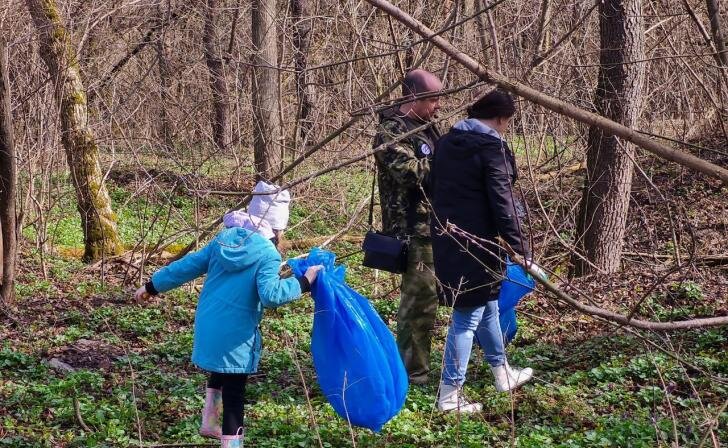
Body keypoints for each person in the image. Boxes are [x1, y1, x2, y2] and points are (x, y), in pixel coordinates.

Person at [134, 182, 322, 448]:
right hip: (237, 334)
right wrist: (305, 281)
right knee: (235, 390)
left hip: (209, 325)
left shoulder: (221, 240)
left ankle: (210, 422)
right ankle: (231, 444)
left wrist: (152, 285)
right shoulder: (267, 254)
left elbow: (187, 266)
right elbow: (271, 295)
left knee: (221, 370)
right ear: (277, 226)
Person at [430, 90, 541, 413]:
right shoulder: (492, 150)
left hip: (449, 238)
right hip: (477, 245)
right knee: (465, 320)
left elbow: (432, 188)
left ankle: (501, 372)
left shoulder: (447, 143)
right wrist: (520, 248)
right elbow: (503, 203)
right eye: (508, 122)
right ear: (501, 119)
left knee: (489, 305)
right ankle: (449, 396)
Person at [373, 69, 443, 385]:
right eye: (432, 99)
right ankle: (412, 373)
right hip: (414, 231)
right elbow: (411, 173)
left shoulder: (429, 128)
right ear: (413, 97)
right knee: (418, 304)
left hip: (438, 227)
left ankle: (418, 365)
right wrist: (449, 163)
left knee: (435, 298)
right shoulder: (391, 133)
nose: (439, 105)